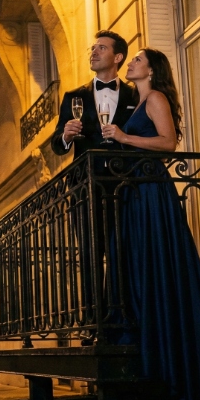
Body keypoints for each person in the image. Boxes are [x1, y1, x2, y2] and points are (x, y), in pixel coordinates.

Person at [101, 48, 200, 400]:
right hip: (138, 194)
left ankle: (187, 360)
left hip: (152, 192)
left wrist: (122, 137)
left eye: (136, 59)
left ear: (152, 69)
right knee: (142, 269)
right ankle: (157, 343)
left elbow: (168, 143)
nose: (130, 63)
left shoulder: (155, 97)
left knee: (161, 267)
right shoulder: (138, 104)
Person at [51, 31, 140, 336]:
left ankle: (120, 320)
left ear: (117, 57)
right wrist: (66, 134)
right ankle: (93, 324)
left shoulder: (134, 96)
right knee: (90, 253)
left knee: (121, 253)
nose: (93, 52)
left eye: (101, 48)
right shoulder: (73, 97)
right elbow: (56, 145)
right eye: (92, 48)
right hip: (84, 188)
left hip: (124, 187)